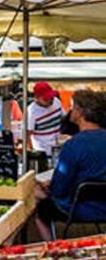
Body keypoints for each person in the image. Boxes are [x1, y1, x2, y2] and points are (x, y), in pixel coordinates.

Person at [34, 89, 106, 239]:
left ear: (80, 112)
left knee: (40, 208)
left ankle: (53, 246)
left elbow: (59, 190)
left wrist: (48, 188)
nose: (70, 111)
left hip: (78, 208)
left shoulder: (73, 145)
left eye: (72, 107)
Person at [24, 81, 65, 155]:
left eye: (51, 97)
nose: (50, 101)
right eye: (46, 99)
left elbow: (64, 118)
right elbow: (27, 134)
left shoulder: (56, 101)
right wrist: (31, 151)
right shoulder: (31, 112)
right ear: (36, 98)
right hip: (43, 151)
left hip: (59, 147)